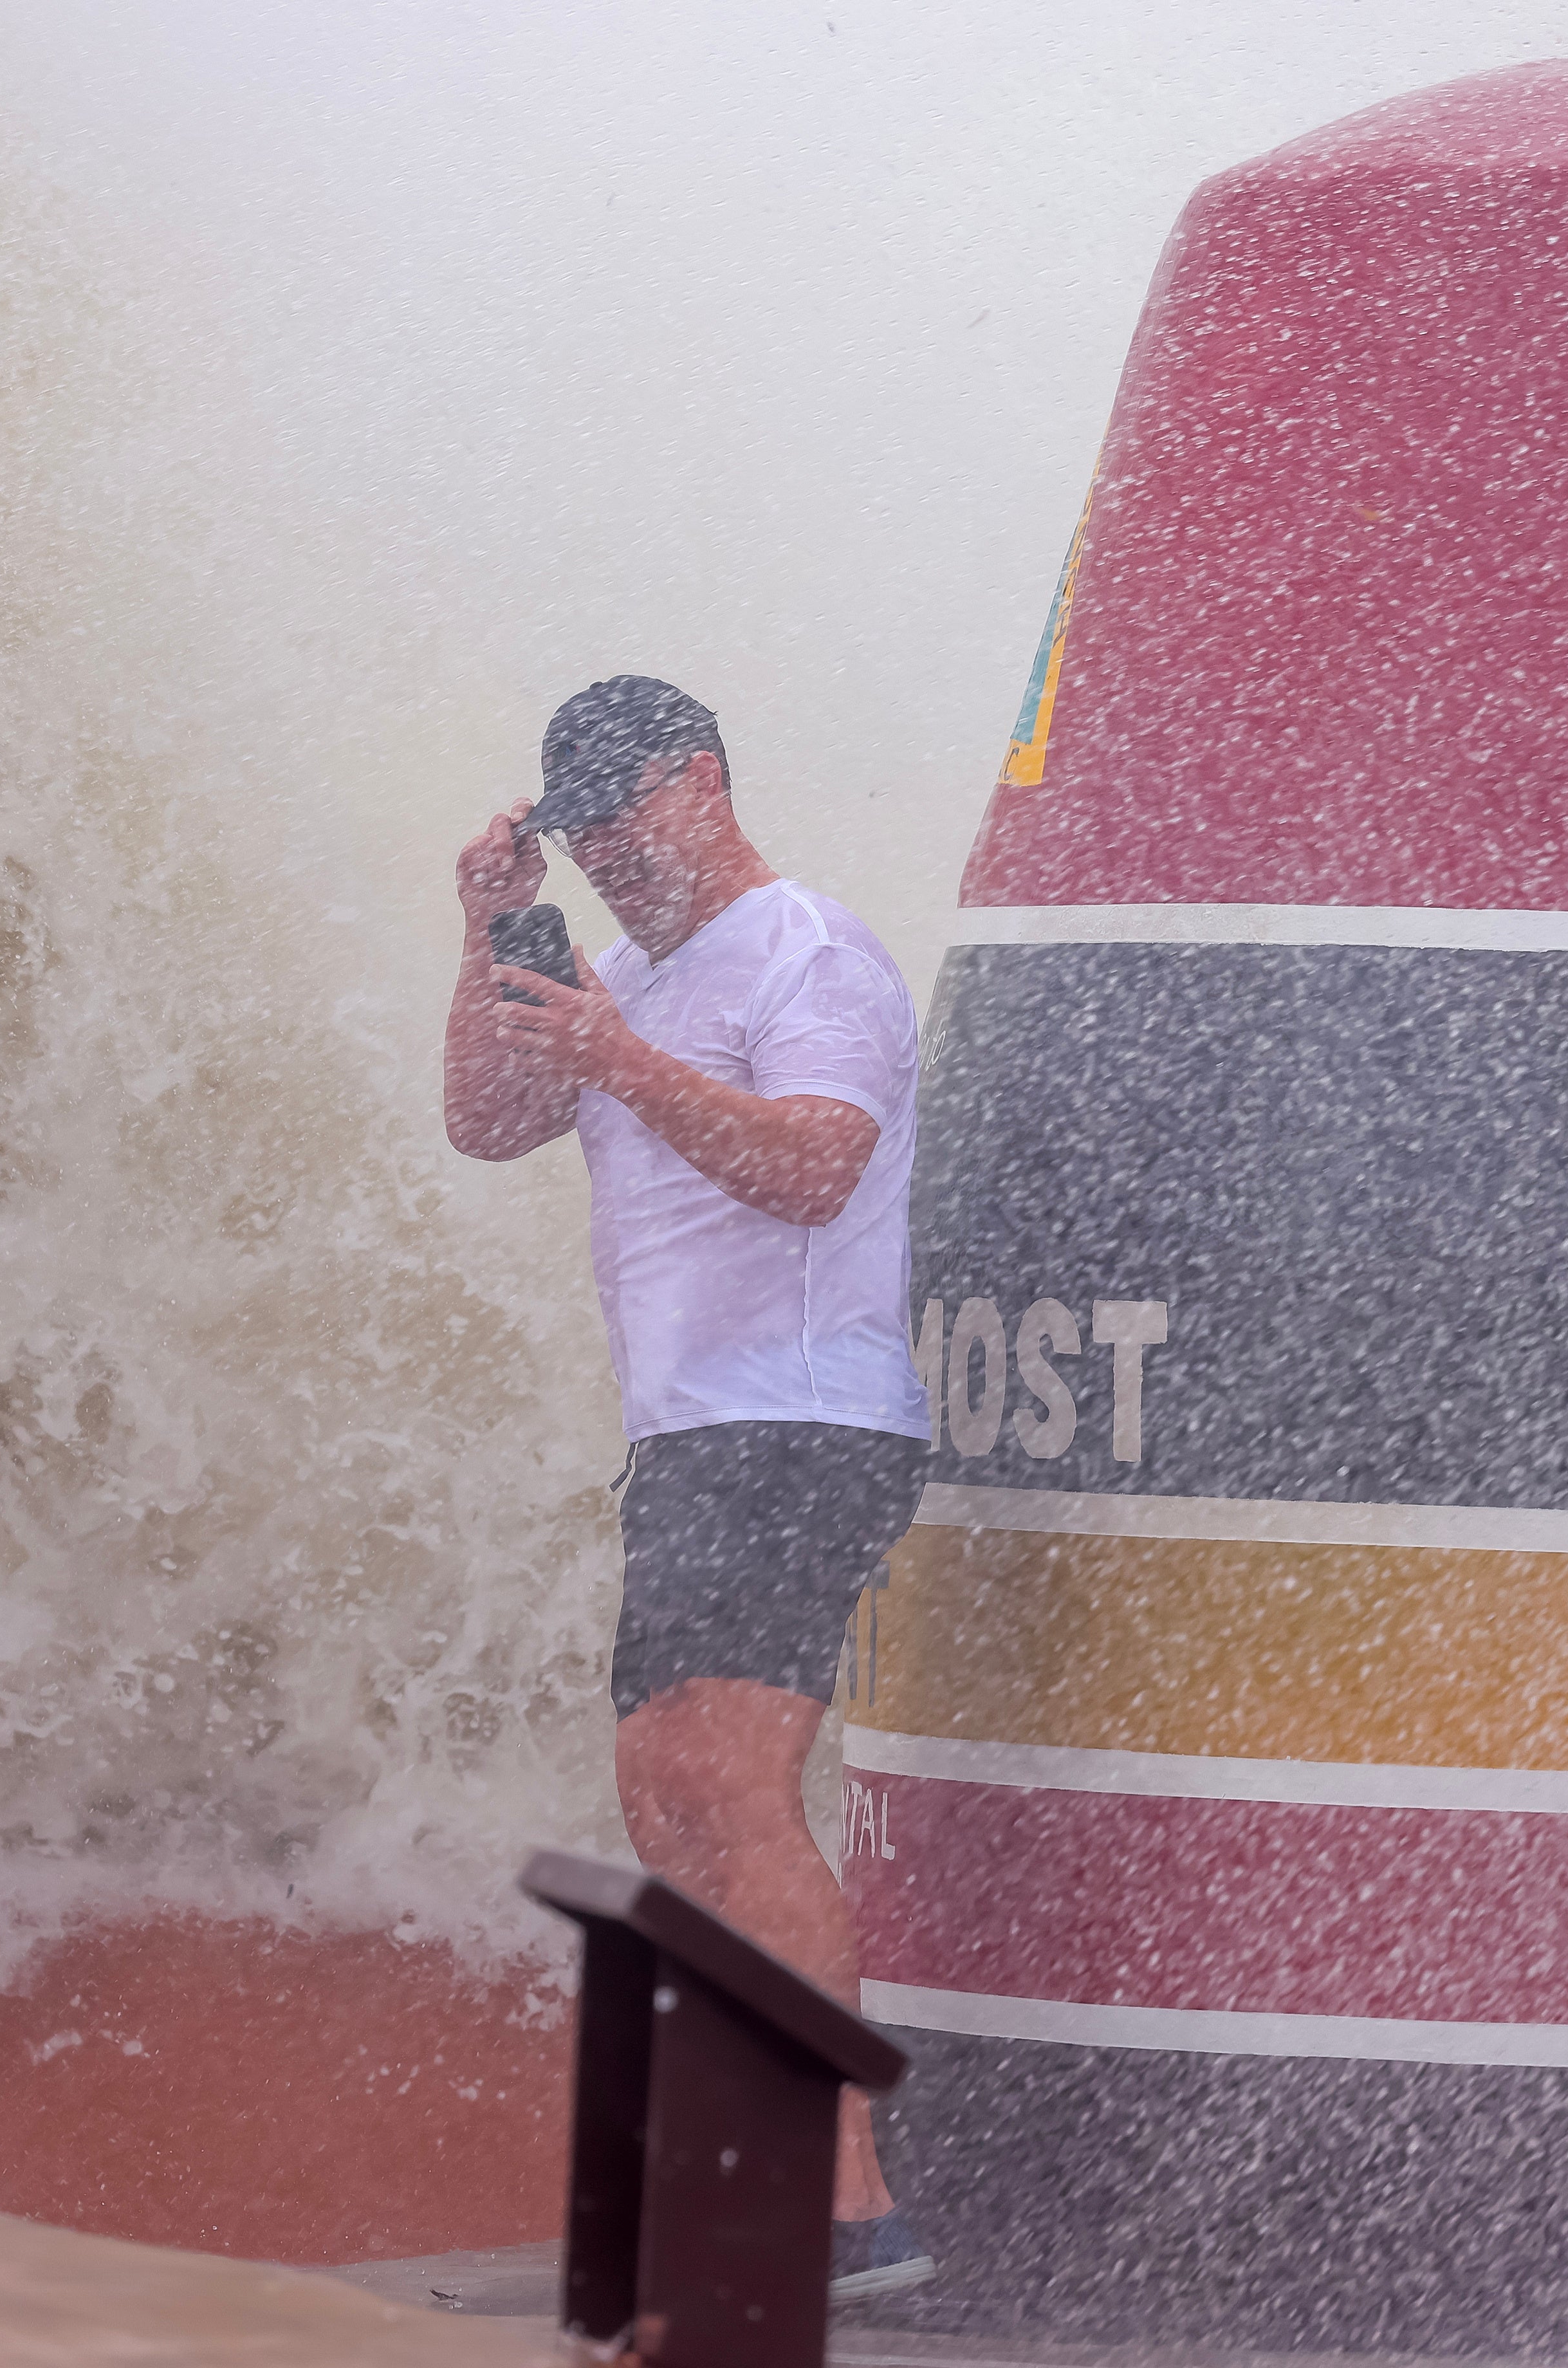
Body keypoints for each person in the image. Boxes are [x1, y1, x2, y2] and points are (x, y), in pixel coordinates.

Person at [443, 676, 937, 2302]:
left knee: (726, 1788)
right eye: (578, 830)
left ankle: (848, 2204)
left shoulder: (810, 948)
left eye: (627, 810)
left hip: (801, 1421)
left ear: (706, 780)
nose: (606, 848)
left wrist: (620, 1051)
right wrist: (496, 939)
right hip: (690, 1436)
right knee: (666, 1797)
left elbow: (817, 1167)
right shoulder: (635, 973)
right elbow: (488, 1123)